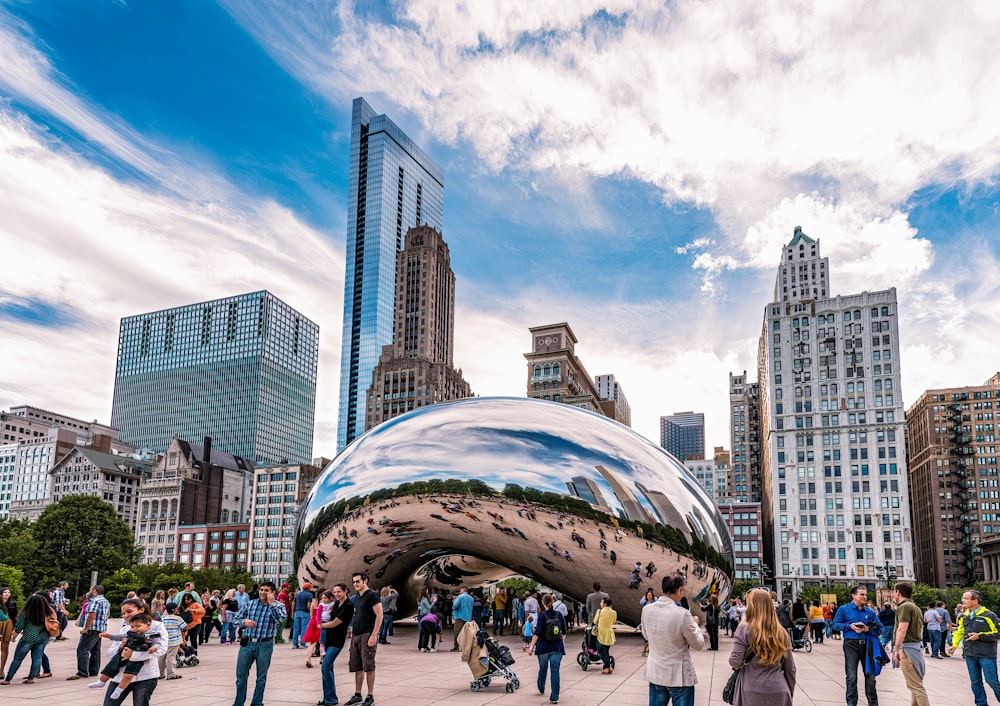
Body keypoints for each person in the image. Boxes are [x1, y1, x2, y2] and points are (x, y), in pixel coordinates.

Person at [641, 573, 704, 706]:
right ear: (679, 590)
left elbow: (646, 636)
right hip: (679, 677)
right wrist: (696, 625)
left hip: (656, 673)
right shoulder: (682, 614)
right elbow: (698, 644)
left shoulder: (646, 610)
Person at [729, 588, 796, 706]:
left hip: (750, 689)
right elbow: (790, 669)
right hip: (778, 689)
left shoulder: (744, 629)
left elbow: (735, 661)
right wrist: (789, 692)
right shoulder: (781, 632)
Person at [99, 597, 168, 706]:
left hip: (145, 677)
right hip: (120, 677)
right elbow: (110, 652)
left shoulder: (156, 626)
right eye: (124, 613)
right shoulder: (125, 629)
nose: (126, 615)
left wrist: (133, 655)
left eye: (129, 611)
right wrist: (120, 648)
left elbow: (161, 648)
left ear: (141, 610)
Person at [231, 580, 287, 706]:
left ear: (273, 592)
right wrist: (244, 621)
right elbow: (235, 620)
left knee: (261, 678)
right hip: (248, 643)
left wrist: (272, 605)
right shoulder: (250, 604)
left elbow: (279, 620)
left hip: (265, 644)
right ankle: (238, 703)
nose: (263, 592)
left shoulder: (279, 606)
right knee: (241, 677)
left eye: (266, 590)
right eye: (261, 590)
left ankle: (257, 702)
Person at [89, 612, 161, 699]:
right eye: (132, 627)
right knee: (111, 667)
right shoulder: (130, 632)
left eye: (138, 626)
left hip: (137, 658)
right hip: (123, 653)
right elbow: (120, 637)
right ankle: (101, 682)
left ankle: (119, 690)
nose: (134, 629)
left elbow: (157, 644)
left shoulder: (153, 634)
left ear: (148, 624)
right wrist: (109, 636)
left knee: (128, 675)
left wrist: (154, 648)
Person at [833, 585, 883, 706]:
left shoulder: (870, 612)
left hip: (867, 645)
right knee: (851, 676)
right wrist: (850, 626)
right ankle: (851, 703)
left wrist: (867, 629)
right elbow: (835, 625)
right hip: (851, 644)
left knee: (870, 676)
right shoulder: (844, 609)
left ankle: (873, 703)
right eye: (861, 594)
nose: (864, 597)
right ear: (853, 595)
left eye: (865, 594)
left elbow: (880, 628)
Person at [948, 589, 1000, 706]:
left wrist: (980, 636)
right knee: (975, 682)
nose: (963, 600)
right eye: (963, 598)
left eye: (966, 598)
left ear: (975, 601)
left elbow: (998, 633)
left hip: (986, 654)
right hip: (970, 654)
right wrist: (954, 645)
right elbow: (959, 632)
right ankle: (981, 704)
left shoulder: (989, 615)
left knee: (992, 681)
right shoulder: (964, 617)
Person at [345, 571, 382, 706]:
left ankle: (370, 696)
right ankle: (357, 694)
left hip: (367, 633)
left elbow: (379, 615)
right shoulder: (357, 597)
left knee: (369, 665)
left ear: (365, 581)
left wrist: (374, 635)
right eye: (354, 582)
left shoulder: (372, 595)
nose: (355, 584)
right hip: (356, 634)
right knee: (357, 666)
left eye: (357, 581)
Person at [0, 593, 53, 684]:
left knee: (17, 659)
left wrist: (13, 637)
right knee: (37, 658)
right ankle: (31, 678)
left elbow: (19, 627)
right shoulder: (47, 613)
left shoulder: (26, 613)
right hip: (42, 637)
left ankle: (8, 679)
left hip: (28, 638)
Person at [889, 582, 927, 706]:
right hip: (916, 647)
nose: (893, 594)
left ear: (898, 592)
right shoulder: (915, 606)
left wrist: (896, 649)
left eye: (894, 591)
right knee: (915, 684)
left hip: (908, 649)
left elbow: (902, 629)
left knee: (915, 686)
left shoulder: (904, 607)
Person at [318, 583, 354, 706]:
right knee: (328, 668)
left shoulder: (348, 605)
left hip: (337, 640)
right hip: (328, 638)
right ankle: (328, 697)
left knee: (325, 667)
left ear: (345, 591)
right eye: (335, 592)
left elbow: (334, 623)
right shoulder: (336, 604)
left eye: (339, 591)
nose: (336, 594)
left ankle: (331, 698)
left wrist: (320, 625)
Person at [528, 593, 567, 704]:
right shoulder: (559, 615)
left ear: (543, 603)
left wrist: (531, 646)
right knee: (555, 671)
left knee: (543, 668)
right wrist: (561, 642)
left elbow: (537, 633)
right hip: (557, 647)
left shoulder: (542, 615)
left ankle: (541, 686)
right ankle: (554, 696)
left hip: (543, 647)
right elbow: (564, 632)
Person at [69, 584, 111, 681]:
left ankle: (82, 672)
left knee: (82, 650)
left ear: (95, 590)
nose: (90, 591)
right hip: (100, 628)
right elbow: (107, 614)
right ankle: (93, 670)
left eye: (91, 590)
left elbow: (91, 615)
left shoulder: (95, 601)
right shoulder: (106, 601)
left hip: (92, 628)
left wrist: (86, 629)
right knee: (95, 650)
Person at [158, 602, 186, 680]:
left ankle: (160, 674)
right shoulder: (177, 618)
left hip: (165, 641)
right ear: (174, 610)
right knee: (171, 657)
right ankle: (170, 674)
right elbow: (184, 626)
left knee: (161, 657)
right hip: (174, 641)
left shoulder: (164, 618)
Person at [593, 596, 617, 674]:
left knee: (600, 652)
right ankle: (608, 667)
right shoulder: (614, 612)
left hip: (601, 633)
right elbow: (614, 622)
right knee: (606, 651)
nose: (600, 604)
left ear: (605, 604)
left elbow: (595, 621)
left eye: (601, 602)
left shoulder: (599, 611)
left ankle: (607, 667)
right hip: (609, 634)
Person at [292, 583, 315, 649]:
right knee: (304, 628)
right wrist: (310, 612)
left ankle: (294, 644)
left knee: (296, 628)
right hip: (305, 612)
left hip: (297, 612)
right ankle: (302, 643)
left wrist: (293, 612)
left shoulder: (298, 593)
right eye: (310, 587)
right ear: (308, 588)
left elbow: (294, 603)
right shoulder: (309, 595)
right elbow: (308, 605)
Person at [0, 587, 17, 676]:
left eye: (8, 592)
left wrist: (15, 629)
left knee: (4, 647)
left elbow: (14, 617)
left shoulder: (12, 604)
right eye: (5, 592)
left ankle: (1, 670)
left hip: (8, 624)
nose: (7, 594)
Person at [451, 586, 473, 652]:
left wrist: (453, 608)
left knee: (457, 632)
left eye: (460, 591)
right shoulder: (471, 598)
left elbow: (455, 605)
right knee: (466, 632)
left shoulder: (460, 597)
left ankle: (456, 647)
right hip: (468, 617)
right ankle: (466, 647)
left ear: (463, 590)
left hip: (460, 616)